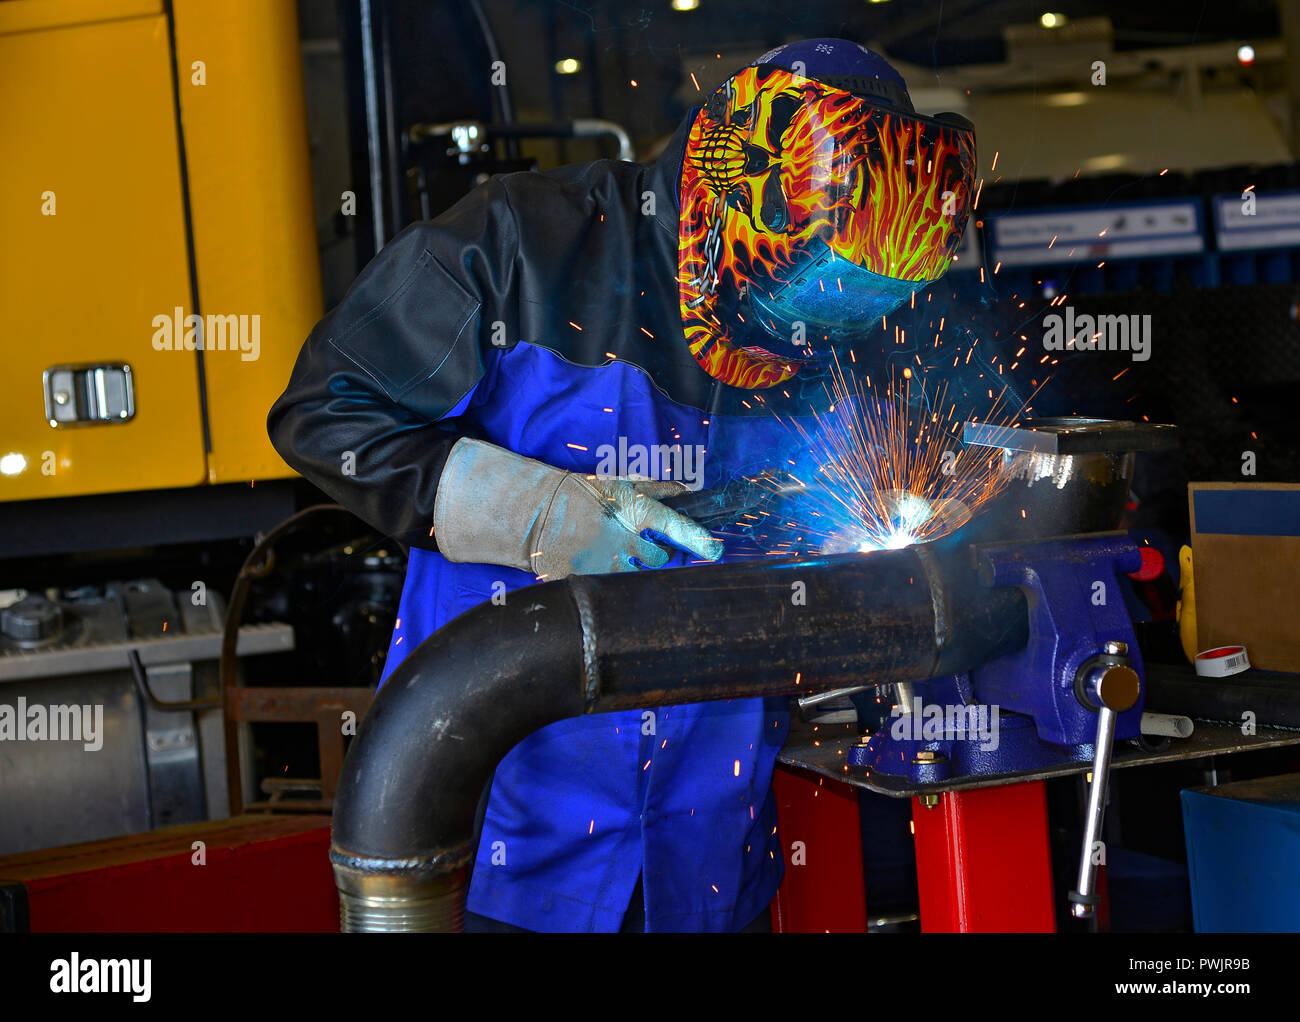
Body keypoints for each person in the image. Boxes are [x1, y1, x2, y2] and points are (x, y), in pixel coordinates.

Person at [268, 37, 975, 932]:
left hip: (712, 856)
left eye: (856, 301)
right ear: (732, 202)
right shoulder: (523, 245)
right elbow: (325, 409)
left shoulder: (846, 325)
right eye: (812, 287)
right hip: (505, 844)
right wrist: (533, 514)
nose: (816, 328)